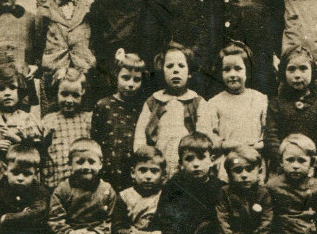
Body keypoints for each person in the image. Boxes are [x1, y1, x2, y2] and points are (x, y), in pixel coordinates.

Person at [86, 0, 147, 106]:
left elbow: (147, 35)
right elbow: (96, 42)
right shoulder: (99, 6)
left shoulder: (141, 3)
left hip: (135, 65)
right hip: (108, 67)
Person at [135, 43, 208, 172]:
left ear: (189, 72)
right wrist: (145, 156)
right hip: (158, 163)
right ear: (162, 70)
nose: (175, 70)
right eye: (169, 66)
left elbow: (204, 136)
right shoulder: (153, 102)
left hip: (189, 164)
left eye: (181, 66)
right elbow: (140, 136)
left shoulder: (197, 102)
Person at [264, 45, 317, 181]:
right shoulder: (276, 104)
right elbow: (271, 138)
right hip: (282, 170)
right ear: (283, 72)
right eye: (291, 69)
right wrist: (284, 164)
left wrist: (315, 170)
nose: (297, 75)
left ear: (312, 71)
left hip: (311, 173)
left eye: (303, 68)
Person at [199, 42, 267, 178]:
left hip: (253, 160)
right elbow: (206, 135)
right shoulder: (214, 102)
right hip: (227, 162)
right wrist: (225, 144)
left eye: (238, 69)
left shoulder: (260, 99)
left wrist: (260, 144)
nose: (232, 74)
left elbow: (267, 130)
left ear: (247, 70)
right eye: (227, 69)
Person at [38, 0, 93, 115]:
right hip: (55, 73)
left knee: (85, 112)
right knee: (55, 113)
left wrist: (89, 64)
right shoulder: (44, 12)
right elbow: (38, 42)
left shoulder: (90, 8)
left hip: (84, 70)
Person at [0, 65, 43, 189]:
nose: (7, 93)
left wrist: (19, 141)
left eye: (12, 88)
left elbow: (38, 151)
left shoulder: (28, 118)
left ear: (20, 91)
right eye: (1, 89)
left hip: (21, 179)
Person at [91, 50, 147, 192]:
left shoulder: (143, 107)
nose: (131, 84)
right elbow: (95, 140)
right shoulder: (104, 105)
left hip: (133, 174)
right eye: (126, 78)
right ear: (116, 76)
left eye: (136, 79)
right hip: (107, 173)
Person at [40, 68, 93, 193]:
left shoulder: (88, 119)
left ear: (83, 94)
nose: (69, 100)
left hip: (82, 183)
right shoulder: (49, 120)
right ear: (56, 93)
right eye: (64, 94)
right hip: (55, 183)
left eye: (75, 95)